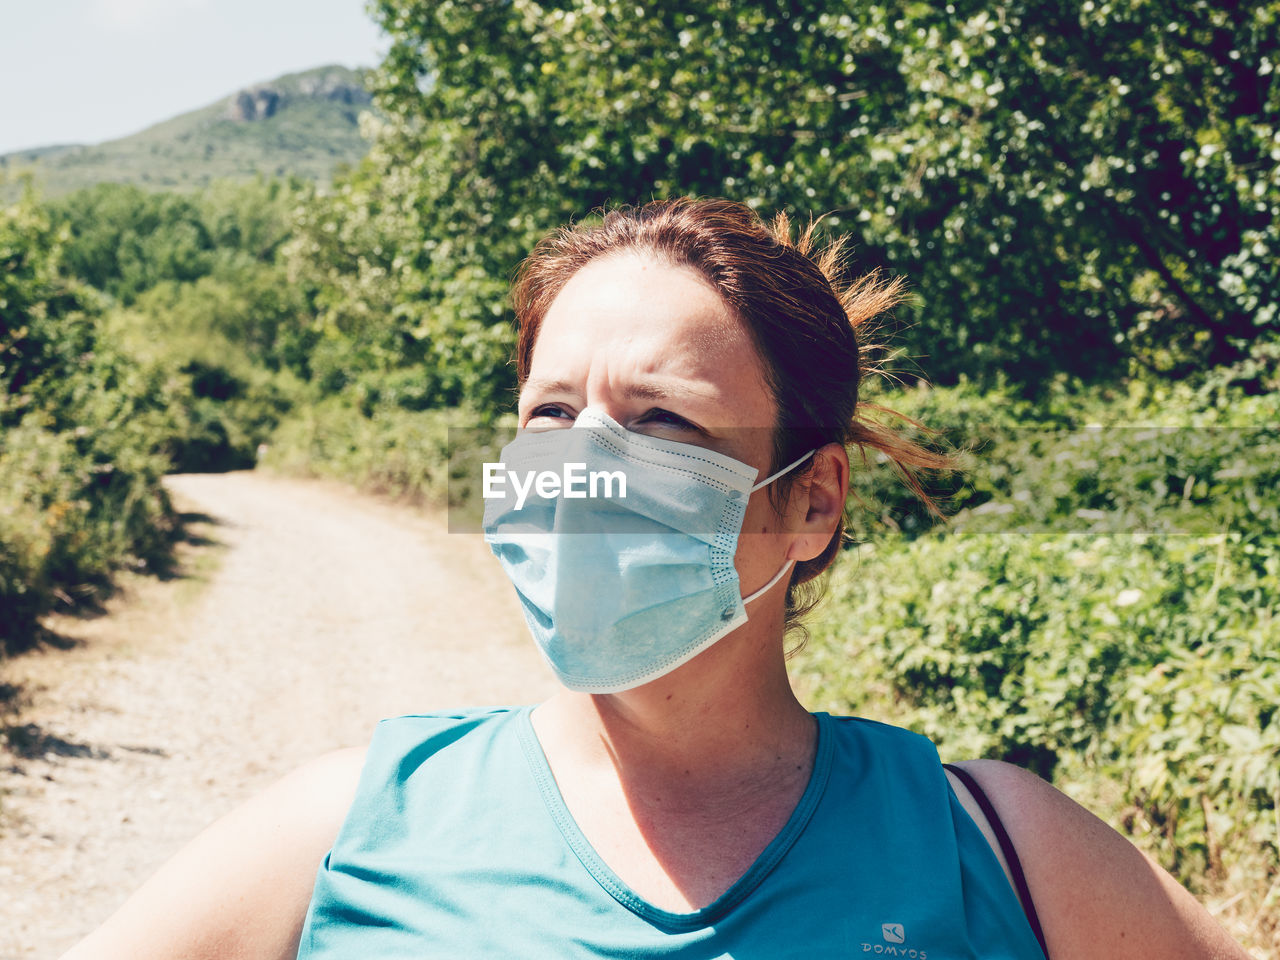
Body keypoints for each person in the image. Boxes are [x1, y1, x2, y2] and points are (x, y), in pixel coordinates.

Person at [64, 198, 1250, 960]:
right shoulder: (346, 833)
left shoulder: (997, 849)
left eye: (660, 423)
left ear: (811, 501)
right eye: (548, 413)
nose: (581, 465)